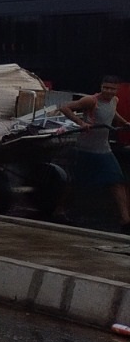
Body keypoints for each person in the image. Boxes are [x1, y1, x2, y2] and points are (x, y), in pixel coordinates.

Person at [59, 76, 130, 233]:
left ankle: (125, 220)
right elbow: (64, 107)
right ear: (101, 87)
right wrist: (81, 123)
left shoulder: (115, 100)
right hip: (86, 148)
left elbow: (112, 113)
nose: (108, 91)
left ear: (117, 89)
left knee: (117, 181)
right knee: (75, 182)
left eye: (112, 88)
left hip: (104, 149)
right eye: (106, 87)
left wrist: (123, 122)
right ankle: (59, 210)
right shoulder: (91, 100)